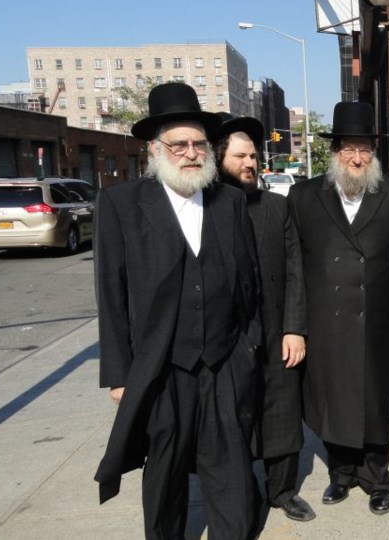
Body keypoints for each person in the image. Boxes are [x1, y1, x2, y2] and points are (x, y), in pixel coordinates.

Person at [94, 83, 263, 539]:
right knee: (165, 467)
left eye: (199, 144)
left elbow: (249, 282)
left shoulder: (229, 203)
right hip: (161, 365)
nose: (190, 153)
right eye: (179, 144)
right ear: (155, 148)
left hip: (224, 361)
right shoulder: (121, 205)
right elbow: (111, 293)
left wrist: (248, 348)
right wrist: (118, 373)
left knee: (229, 464)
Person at [286, 101, 389, 515]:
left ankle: (377, 477)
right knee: (332, 398)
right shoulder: (303, 195)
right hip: (326, 321)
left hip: (375, 321)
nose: (357, 158)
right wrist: (296, 325)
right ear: (334, 151)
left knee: (374, 400)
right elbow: (294, 265)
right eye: (349, 150)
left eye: (365, 150)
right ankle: (341, 474)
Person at [211, 113, 315, 522]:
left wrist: (295, 328)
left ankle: (283, 490)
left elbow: (294, 269)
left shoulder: (277, 206)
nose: (250, 163)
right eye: (240, 156)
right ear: (220, 160)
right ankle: (244, 493)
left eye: (253, 156)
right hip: (230, 337)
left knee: (282, 413)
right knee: (234, 419)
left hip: (276, 331)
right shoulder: (205, 209)